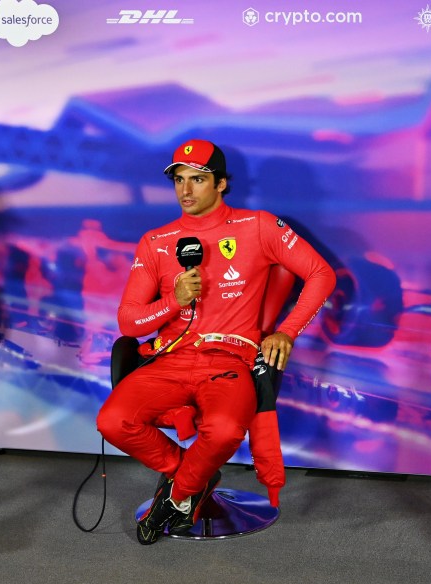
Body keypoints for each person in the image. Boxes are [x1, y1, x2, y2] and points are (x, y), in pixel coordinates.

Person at [97, 139, 336, 544]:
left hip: (228, 361)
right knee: (112, 422)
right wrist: (176, 300)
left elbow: (321, 274)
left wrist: (287, 330)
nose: (185, 191)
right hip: (169, 360)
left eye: (198, 180)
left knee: (224, 431)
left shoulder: (258, 225)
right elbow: (129, 321)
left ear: (222, 184)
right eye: (179, 180)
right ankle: (192, 481)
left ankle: (176, 496)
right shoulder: (156, 241)